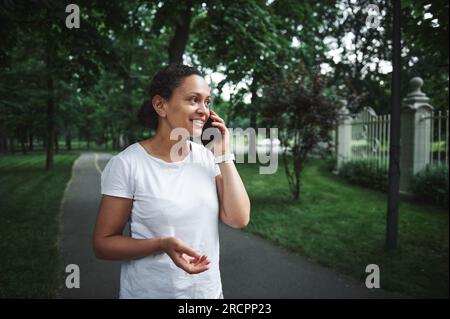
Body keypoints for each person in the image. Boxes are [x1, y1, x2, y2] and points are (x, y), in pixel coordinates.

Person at [93, 64, 251, 299]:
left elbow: (238, 219)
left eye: (207, 102)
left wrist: (223, 154)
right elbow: (103, 244)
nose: (204, 110)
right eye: (193, 100)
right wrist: (161, 244)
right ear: (160, 105)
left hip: (207, 295)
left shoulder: (208, 158)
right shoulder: (128, 164)